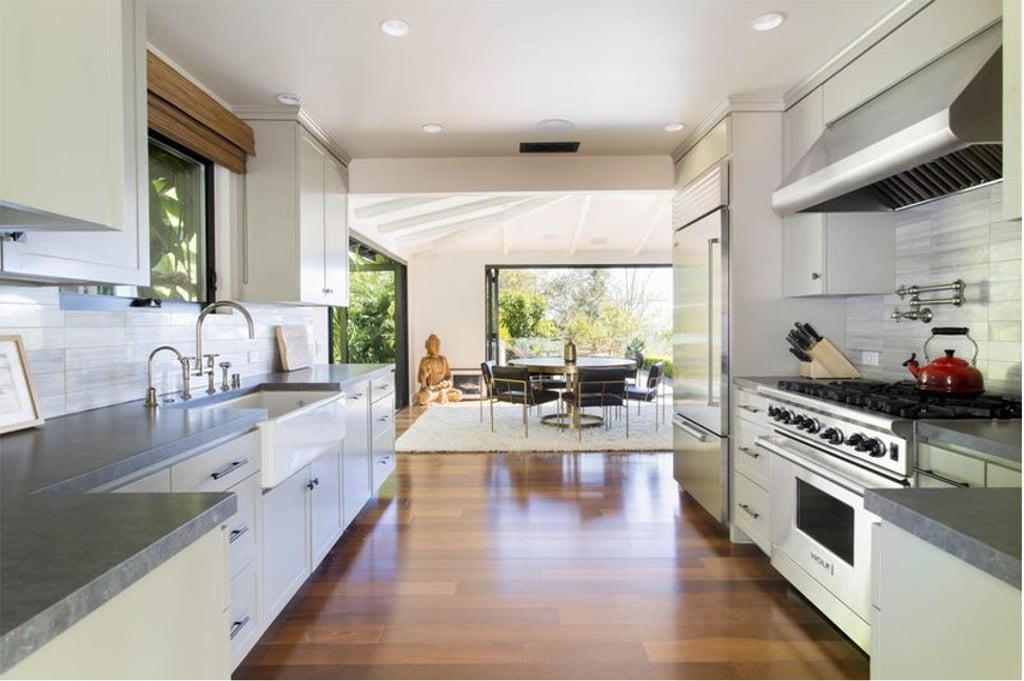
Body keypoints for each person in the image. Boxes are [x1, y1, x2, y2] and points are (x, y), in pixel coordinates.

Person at [415, 334, 463, 406]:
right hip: (431, 390)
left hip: (442, 389)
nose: (437, 347)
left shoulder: (443, 359)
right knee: (423, 398)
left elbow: (448, 376)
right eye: (435, 345)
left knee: (459, 394)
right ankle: (440, 396)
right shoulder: (424, 361)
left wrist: (446, 383)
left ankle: (441, 395)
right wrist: (424, 375)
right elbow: (420, 380)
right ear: (429, 347)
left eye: (438, 345)